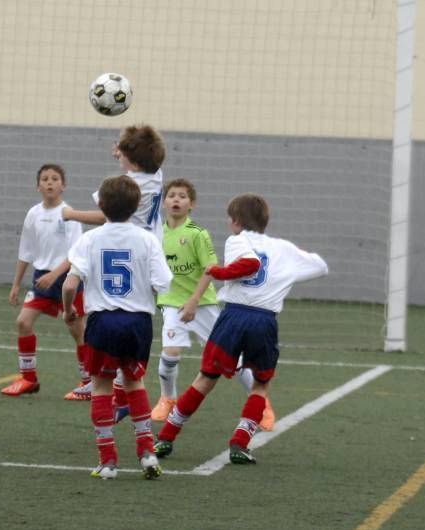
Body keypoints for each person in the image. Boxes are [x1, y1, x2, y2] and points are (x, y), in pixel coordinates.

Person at [153, 193, 328, 464]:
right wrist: (285, 276)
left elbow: (251, 264)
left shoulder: (237, 240)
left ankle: (165, 438)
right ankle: (240, 442)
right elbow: (320, 266)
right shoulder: (284, 248)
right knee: (260, 384)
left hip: (233, 317)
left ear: (235, 221)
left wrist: (218, 272)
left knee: (205, 379)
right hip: (264, 320)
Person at [63, 175, 173, 480]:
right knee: (134, 383)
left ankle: (108, 460)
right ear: (136, 205)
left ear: (101, 205)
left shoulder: (89, 239)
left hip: (102, 321)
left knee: (100, 387)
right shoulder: (147, 239)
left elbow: (71, 283)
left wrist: (70, 309)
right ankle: (147, 453)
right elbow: (163, 282)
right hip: (138, 322)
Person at [152, 179, 275, 431]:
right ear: (164, 202)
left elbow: (210, 269)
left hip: (203, 305)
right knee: (169, 354)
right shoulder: (157, 234)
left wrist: (194, 300)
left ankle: (261, 402)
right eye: (172, 195)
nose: (176, 199)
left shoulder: (197, 234)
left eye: (182, 196)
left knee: (232, 359)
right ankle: (167, 398)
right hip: (172, 304)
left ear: (192, 204)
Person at [62, 124, 165, 420]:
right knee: (136, 315)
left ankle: (109, 386)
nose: (116, 153)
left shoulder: (130, 182)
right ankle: (122, 391)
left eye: (120, 149)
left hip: (129, 251)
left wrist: (71, 215)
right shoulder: (154, 175)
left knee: (112, 309)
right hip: (147, 253)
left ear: (131, 158)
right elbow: (144, 156)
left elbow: (106, 213)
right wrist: (125, 151)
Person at [1, 164, 92, 399]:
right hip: (41, 279)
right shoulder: (33, 214)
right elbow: (26, 251)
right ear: (37, 186)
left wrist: (55, 275)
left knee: (77, 330)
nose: (49, 182)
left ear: (63, 185)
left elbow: (75, 253)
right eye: (44, 179)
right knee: (23, 322)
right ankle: (29, 379)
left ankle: (88, 382)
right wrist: (16, 284)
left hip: (67, 279)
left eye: (54, 179)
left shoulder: (68, 214)